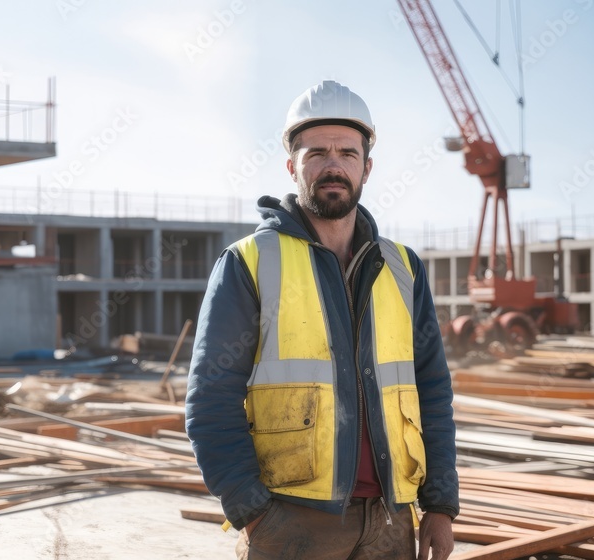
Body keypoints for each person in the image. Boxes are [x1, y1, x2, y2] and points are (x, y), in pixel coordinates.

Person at [185, 80, 459, 560]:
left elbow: (432, 389)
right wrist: (252, 510)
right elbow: (210, 398)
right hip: (291, 520)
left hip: (392, 518)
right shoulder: (249, 262)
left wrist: (439, 504)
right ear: (292, 166)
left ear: (367, 168)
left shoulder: (403, 267)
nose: (333, 165)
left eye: (347, 153)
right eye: (317, 153)